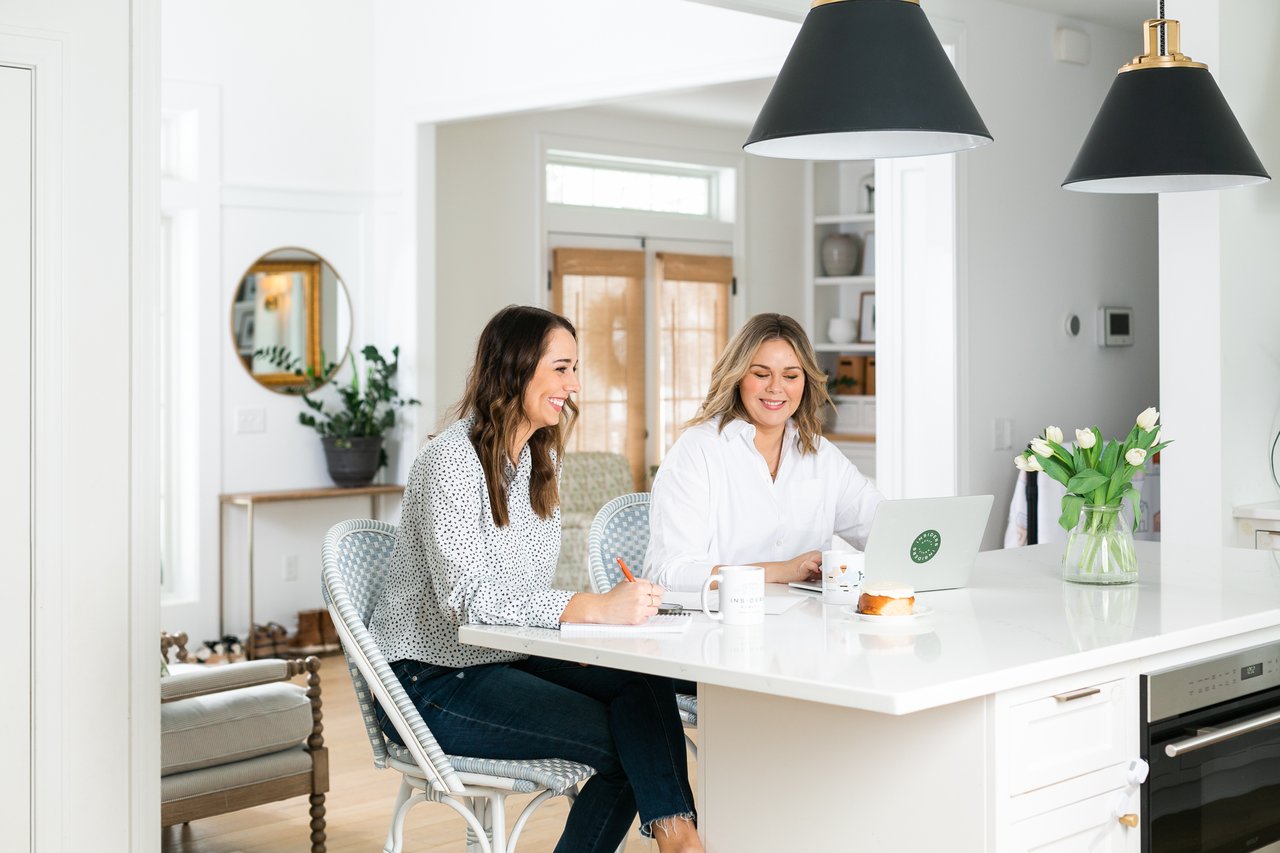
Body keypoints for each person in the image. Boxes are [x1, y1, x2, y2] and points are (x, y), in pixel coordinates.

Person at [368, 305, 702, 853]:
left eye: (575, 369)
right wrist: (594, 608)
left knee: (642, 683)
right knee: (632, 744)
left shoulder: (538, 460)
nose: (574, 385)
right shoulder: (450, 460)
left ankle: (678, 837)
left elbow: (519, 594)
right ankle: (683, 842)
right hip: (429, 681)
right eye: (562, 368)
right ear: (517, 368)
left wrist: (599, 628)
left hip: (498, 657)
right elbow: (469, 602)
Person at [644, 312, 884, 591]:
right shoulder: (697, 451)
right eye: (760, 374)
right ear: (737, 377)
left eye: (791, 376)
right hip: (720, 626)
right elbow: (669, 573)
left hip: (809, 626)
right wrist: (781, 571)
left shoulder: (822, 455)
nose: (775, 388)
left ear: (805, 382)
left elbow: (883, 530)